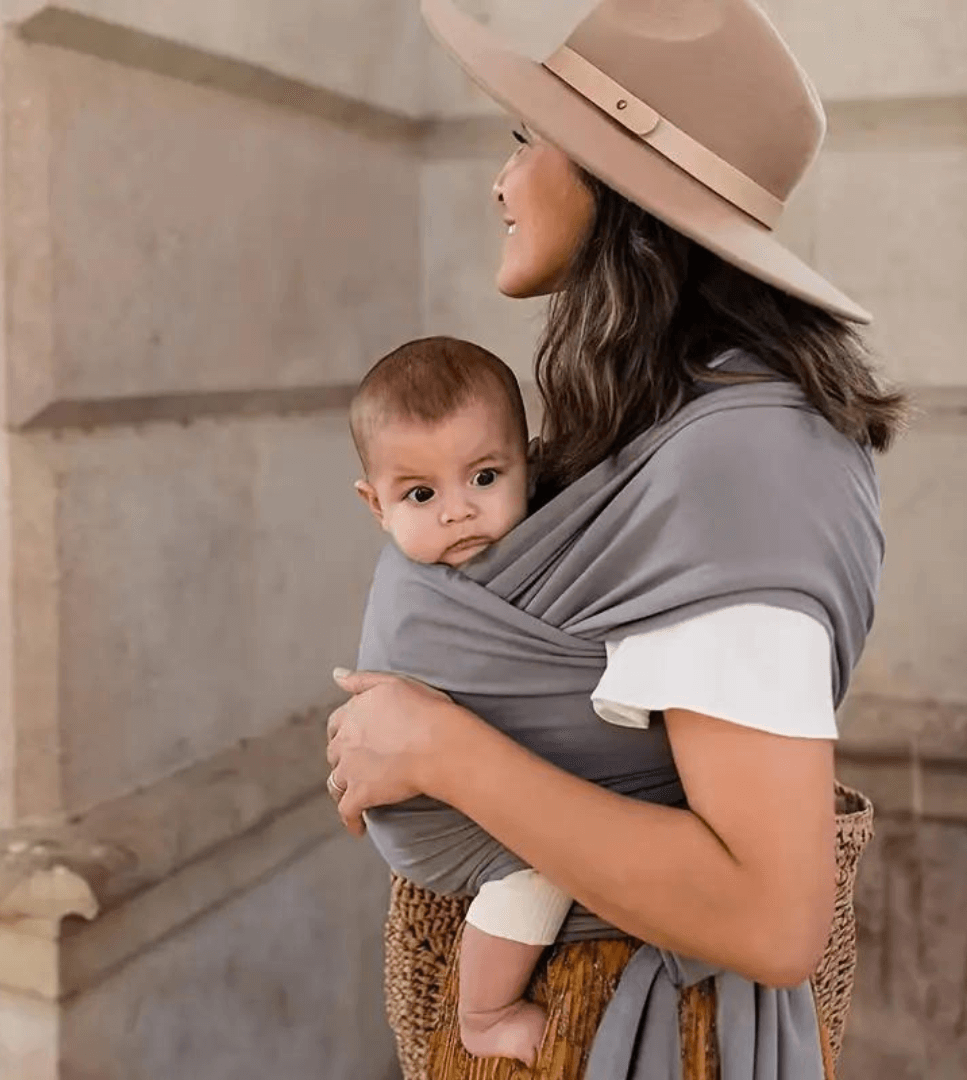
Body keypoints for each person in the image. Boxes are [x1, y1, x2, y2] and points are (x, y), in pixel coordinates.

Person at [326, 1, 907, 1077]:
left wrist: (438, 749)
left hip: (628, 1033)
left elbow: (775, 917)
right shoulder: (668, 427)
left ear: (614, 183)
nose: (501, 182)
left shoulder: (743, 466)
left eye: (525, 139)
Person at [349, 336, 580, 1064]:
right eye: (420, 495)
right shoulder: (417, 599)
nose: (458, 512)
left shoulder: (533, 556)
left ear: (529, 469)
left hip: (461, 775)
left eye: (484, 477)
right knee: (546, 868)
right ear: (376, 506)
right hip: (434, 816)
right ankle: (486, 1013)